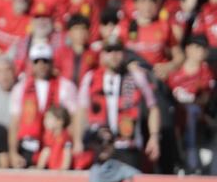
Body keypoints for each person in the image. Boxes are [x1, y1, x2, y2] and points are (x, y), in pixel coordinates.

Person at [77, 39, 161, 170]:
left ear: (124, 53)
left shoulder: (135, 76)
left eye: (117, 51)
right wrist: (78, 140)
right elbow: (81, 110)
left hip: (127, 145)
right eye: (109, 51)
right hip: (100, 146)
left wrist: (154, 137)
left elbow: (153, 107)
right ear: (103, 55)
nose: (114, 55)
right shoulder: (91, 77)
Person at [8, 43, 79, 168]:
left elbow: (74, 121)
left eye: (45, 61)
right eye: (37, 61)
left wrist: (70, 143)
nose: (41, 65)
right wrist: (13, 153)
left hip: (55, 147)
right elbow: (14, 123)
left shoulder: (65, 86)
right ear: (31, 64)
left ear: (52, 62)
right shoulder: (20, 88)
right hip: (28, 146)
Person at [167, 35, 215, 173]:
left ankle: (191, 162)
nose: (200, 51)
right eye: (197, 47)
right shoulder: (175, 72)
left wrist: (188, 100)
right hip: (175, 116)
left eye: (203, 48)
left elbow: (205, 99)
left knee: (191, 111)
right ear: (188, 49)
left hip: (198, 117)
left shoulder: (206, 72)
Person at [35, 105, 73, 170]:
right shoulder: (49, 136)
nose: (45, 121)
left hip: (61, 171)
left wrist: (64, 168)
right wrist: (39, 168)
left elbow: (67, 153)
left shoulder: (65, 136)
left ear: (59, 121)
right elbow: (46, 152)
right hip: (52, 170)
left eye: (48, 118)